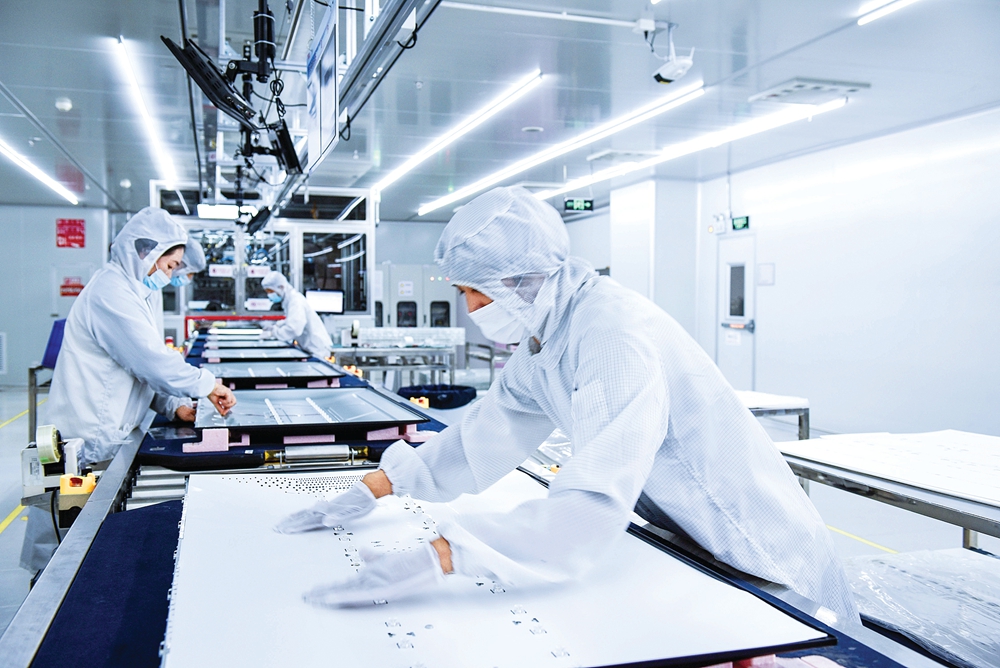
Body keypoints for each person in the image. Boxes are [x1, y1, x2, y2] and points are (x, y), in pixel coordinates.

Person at [276, 186, 859, 623]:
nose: (469, 307)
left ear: (519, 280)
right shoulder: (548, 336)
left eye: (473, 290)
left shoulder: (612, 334)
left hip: (766, 560)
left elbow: (591, 504)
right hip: (697, 542)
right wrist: (379, 486)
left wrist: (443, 555)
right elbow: (485, 433)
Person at [22, 207, 236, 574]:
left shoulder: (138, 293)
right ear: (146, 251)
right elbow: (150, 361)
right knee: (66, 556)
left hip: (111, 436)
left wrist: (173, 406)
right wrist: (208, 384)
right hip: (87, 444)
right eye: (170, 266)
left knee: (90, 549)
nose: (170, 275)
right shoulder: (111, 291)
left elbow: (136, 369)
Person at [260, 271, 333, 358]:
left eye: (270, 291)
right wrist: (277, 325)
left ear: (281, 287)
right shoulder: (290, 300)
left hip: (317, 350)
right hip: (310, 349)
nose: (269, 295)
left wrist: (273, 333)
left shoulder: (295, 301)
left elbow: (294, 329)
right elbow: (292, 320)